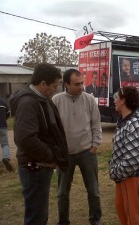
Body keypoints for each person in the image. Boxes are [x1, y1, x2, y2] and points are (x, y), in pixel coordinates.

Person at [10, 63, 68, 225]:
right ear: (43, 84)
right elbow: (26, 138)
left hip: (41, 166)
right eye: (55, 85)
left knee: (40, 213)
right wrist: (50, 156)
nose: (56, 89)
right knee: (36, 216)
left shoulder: (42, 99)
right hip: (34, 167)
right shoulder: (28, 103)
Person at [52, 69, 102, 225]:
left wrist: (94, 146)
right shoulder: (56, 100)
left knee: (93, 191)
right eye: (77, 84)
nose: (81, 87)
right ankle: (63, 221)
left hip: (87, 152)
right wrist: (56, 151)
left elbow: (96, 124)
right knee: (62, 192)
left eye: (82, 83)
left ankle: (96, 220)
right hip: (65, 155)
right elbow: (51, 128)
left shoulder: (89, 99)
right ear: (66, 84)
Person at [109, 86, 139, 225]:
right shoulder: (123, 121)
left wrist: (115, 172)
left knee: (134, 217)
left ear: (123, 100)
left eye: (116, 97)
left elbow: (132, 161)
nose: (114, 100)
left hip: (132, 176)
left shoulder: (133, 124)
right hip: (124, 176)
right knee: (122, 210)